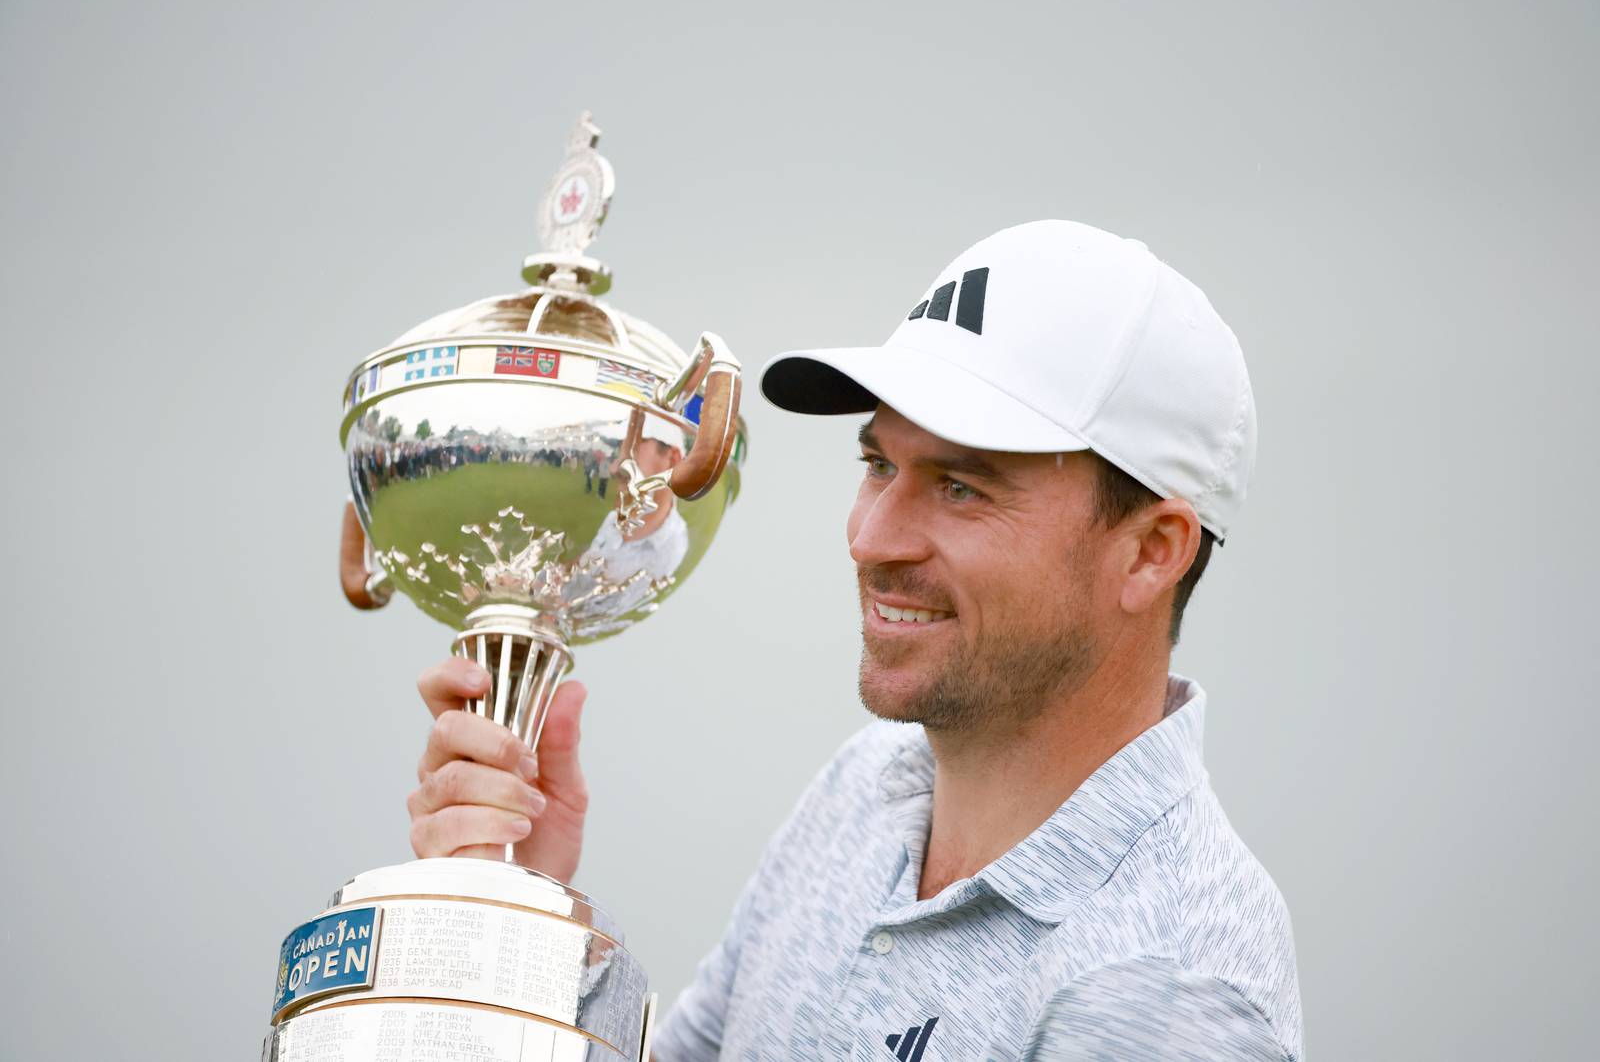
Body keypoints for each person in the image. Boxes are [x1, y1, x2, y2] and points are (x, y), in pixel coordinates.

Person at [405, 220, 1303, 1059]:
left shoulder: (1166, 986)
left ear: (1151, 552)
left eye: (962, 487)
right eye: (879, 465)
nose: (872, 537)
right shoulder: (866, 790)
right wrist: (525, 925)